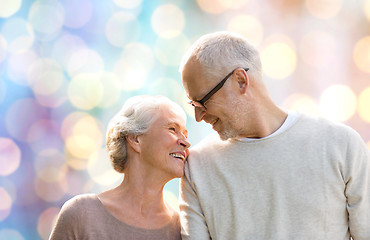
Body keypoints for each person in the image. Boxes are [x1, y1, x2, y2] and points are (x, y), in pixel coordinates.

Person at [178, 31, 370, 240]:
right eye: (192, 105)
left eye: (202, 102)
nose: (197, 116)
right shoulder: (196, 167)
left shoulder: (340, 145)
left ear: (241, 81)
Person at [49, 95, 191, 240]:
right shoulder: (81, 214)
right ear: (135, 139)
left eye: (186, 135)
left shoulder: (182, 229)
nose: (186, 143)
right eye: (173, 129)